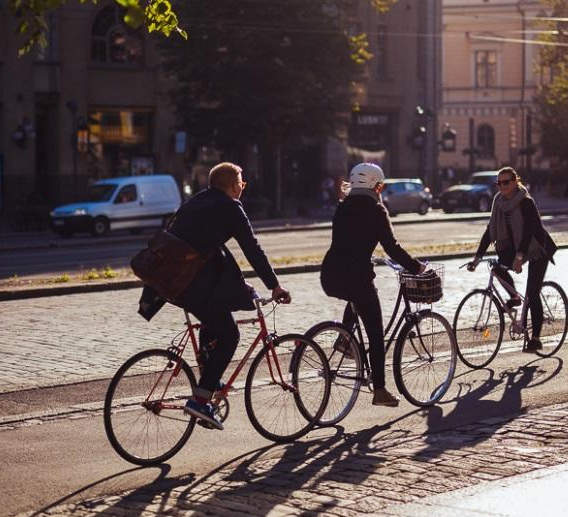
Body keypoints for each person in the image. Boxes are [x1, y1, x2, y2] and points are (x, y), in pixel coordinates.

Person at [164, 162, 291, 430]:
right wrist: (274, 285)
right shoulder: (231, 207)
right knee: (230, 334)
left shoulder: (197, 201)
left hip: (170, 281)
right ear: (233, 186)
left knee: (214, 319)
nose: (243, 187)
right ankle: (200, 400)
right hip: (191, 282)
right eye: (242, 183)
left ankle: (210, 377)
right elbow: (251, 248)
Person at [320, 162, 426, 407]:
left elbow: (349, 241)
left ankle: (346, 338)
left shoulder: (342, 206)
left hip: (330, 275)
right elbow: (391, 247)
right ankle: (379, 390)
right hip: (356, 277)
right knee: (376, 336)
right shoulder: (376, 210)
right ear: (376, 186)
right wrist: (416, 267)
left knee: (358, 298)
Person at [467, 166, 558, 352]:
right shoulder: (498, 202)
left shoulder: (526, 202)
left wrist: (520, 256)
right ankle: (515, 297)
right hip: (514, 247)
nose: (502, 186)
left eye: (506, 182)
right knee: (496, 268)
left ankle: (536, 338)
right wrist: (477, 257)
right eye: (499, 183)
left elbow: (530, 232)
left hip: (537, 248)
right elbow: (490, 229)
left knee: (533, 293)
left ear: (515, 181)